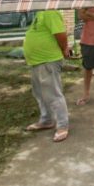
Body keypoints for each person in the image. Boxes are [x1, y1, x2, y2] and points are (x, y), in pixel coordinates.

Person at [22, 10, 71, 143]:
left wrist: (64, 49)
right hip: (36, 62)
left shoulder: (50, 12)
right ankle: (47, 120)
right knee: (39, 94)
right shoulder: (40, 12)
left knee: (53, 94)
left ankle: (62, 126)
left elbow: (61, 35)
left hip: (48, 61)